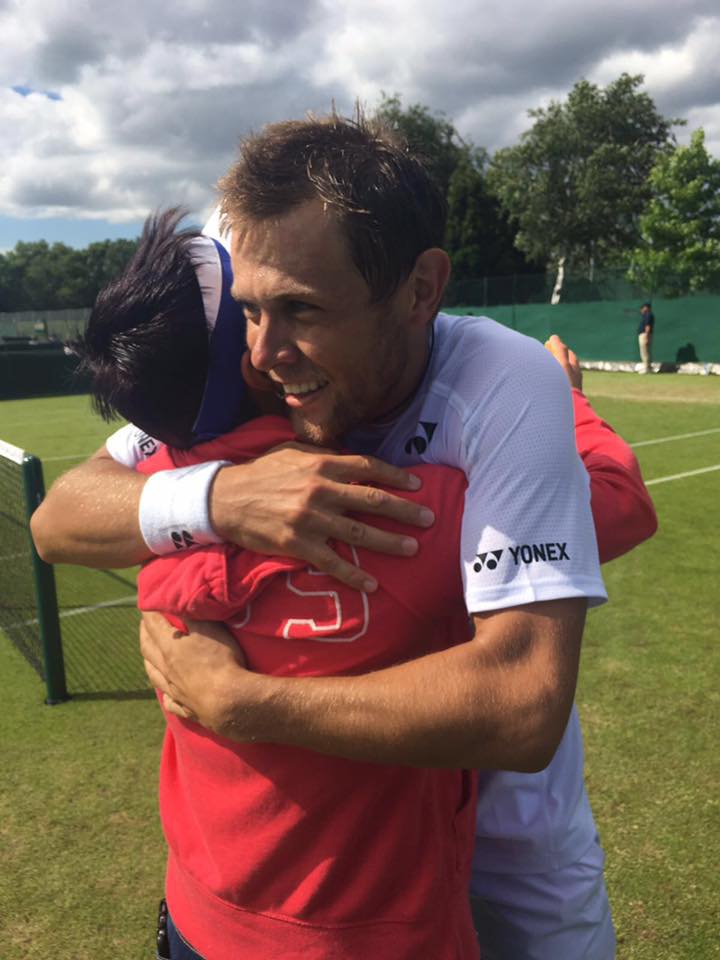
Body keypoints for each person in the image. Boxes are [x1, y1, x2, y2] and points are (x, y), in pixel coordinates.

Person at [31, 113, 657, 960]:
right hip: (355, 876)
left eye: (300, 310)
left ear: (421, 291)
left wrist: (246, 704)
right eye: (250, 308)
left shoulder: (501, 381)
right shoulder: (252, 389)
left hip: (511, 830)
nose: (262, 353)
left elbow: (522, 703)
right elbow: (58, 514)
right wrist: (224, 496)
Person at [73, 209, 480, 958]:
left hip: (200, 913)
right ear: (253, 359)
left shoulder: (146, 509)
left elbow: (62, 514)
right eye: (252, 309)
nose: (270, 328)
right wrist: (564, 399)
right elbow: (615, 502)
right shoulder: (411, 508)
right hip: (375, 937)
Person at [637, 302, 655, 374]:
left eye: (643, 308)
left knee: (645, 352)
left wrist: (647, 337)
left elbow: (648, 326)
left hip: (645, 335)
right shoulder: (646, 315)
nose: (642, 309)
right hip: (645, 335)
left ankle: (647, 369)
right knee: (645, 352)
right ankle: (648, 368)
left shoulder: (648, 315)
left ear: (647, 308)